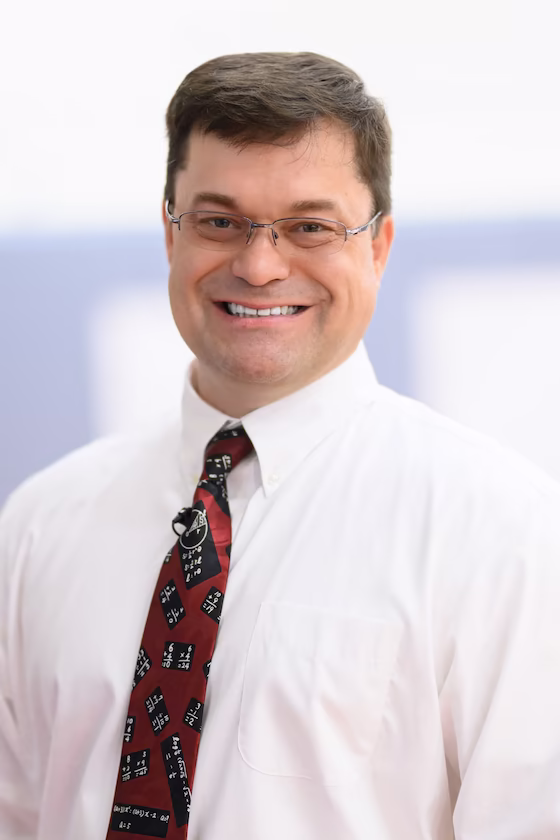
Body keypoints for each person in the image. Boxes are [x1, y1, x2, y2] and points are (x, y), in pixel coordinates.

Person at [1, 51, 560, 840]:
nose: (260, 265)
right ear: (170, 235)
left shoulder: (502, 532)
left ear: (378, 246)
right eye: (220, 221)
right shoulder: (39, 524)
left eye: (309, 226)